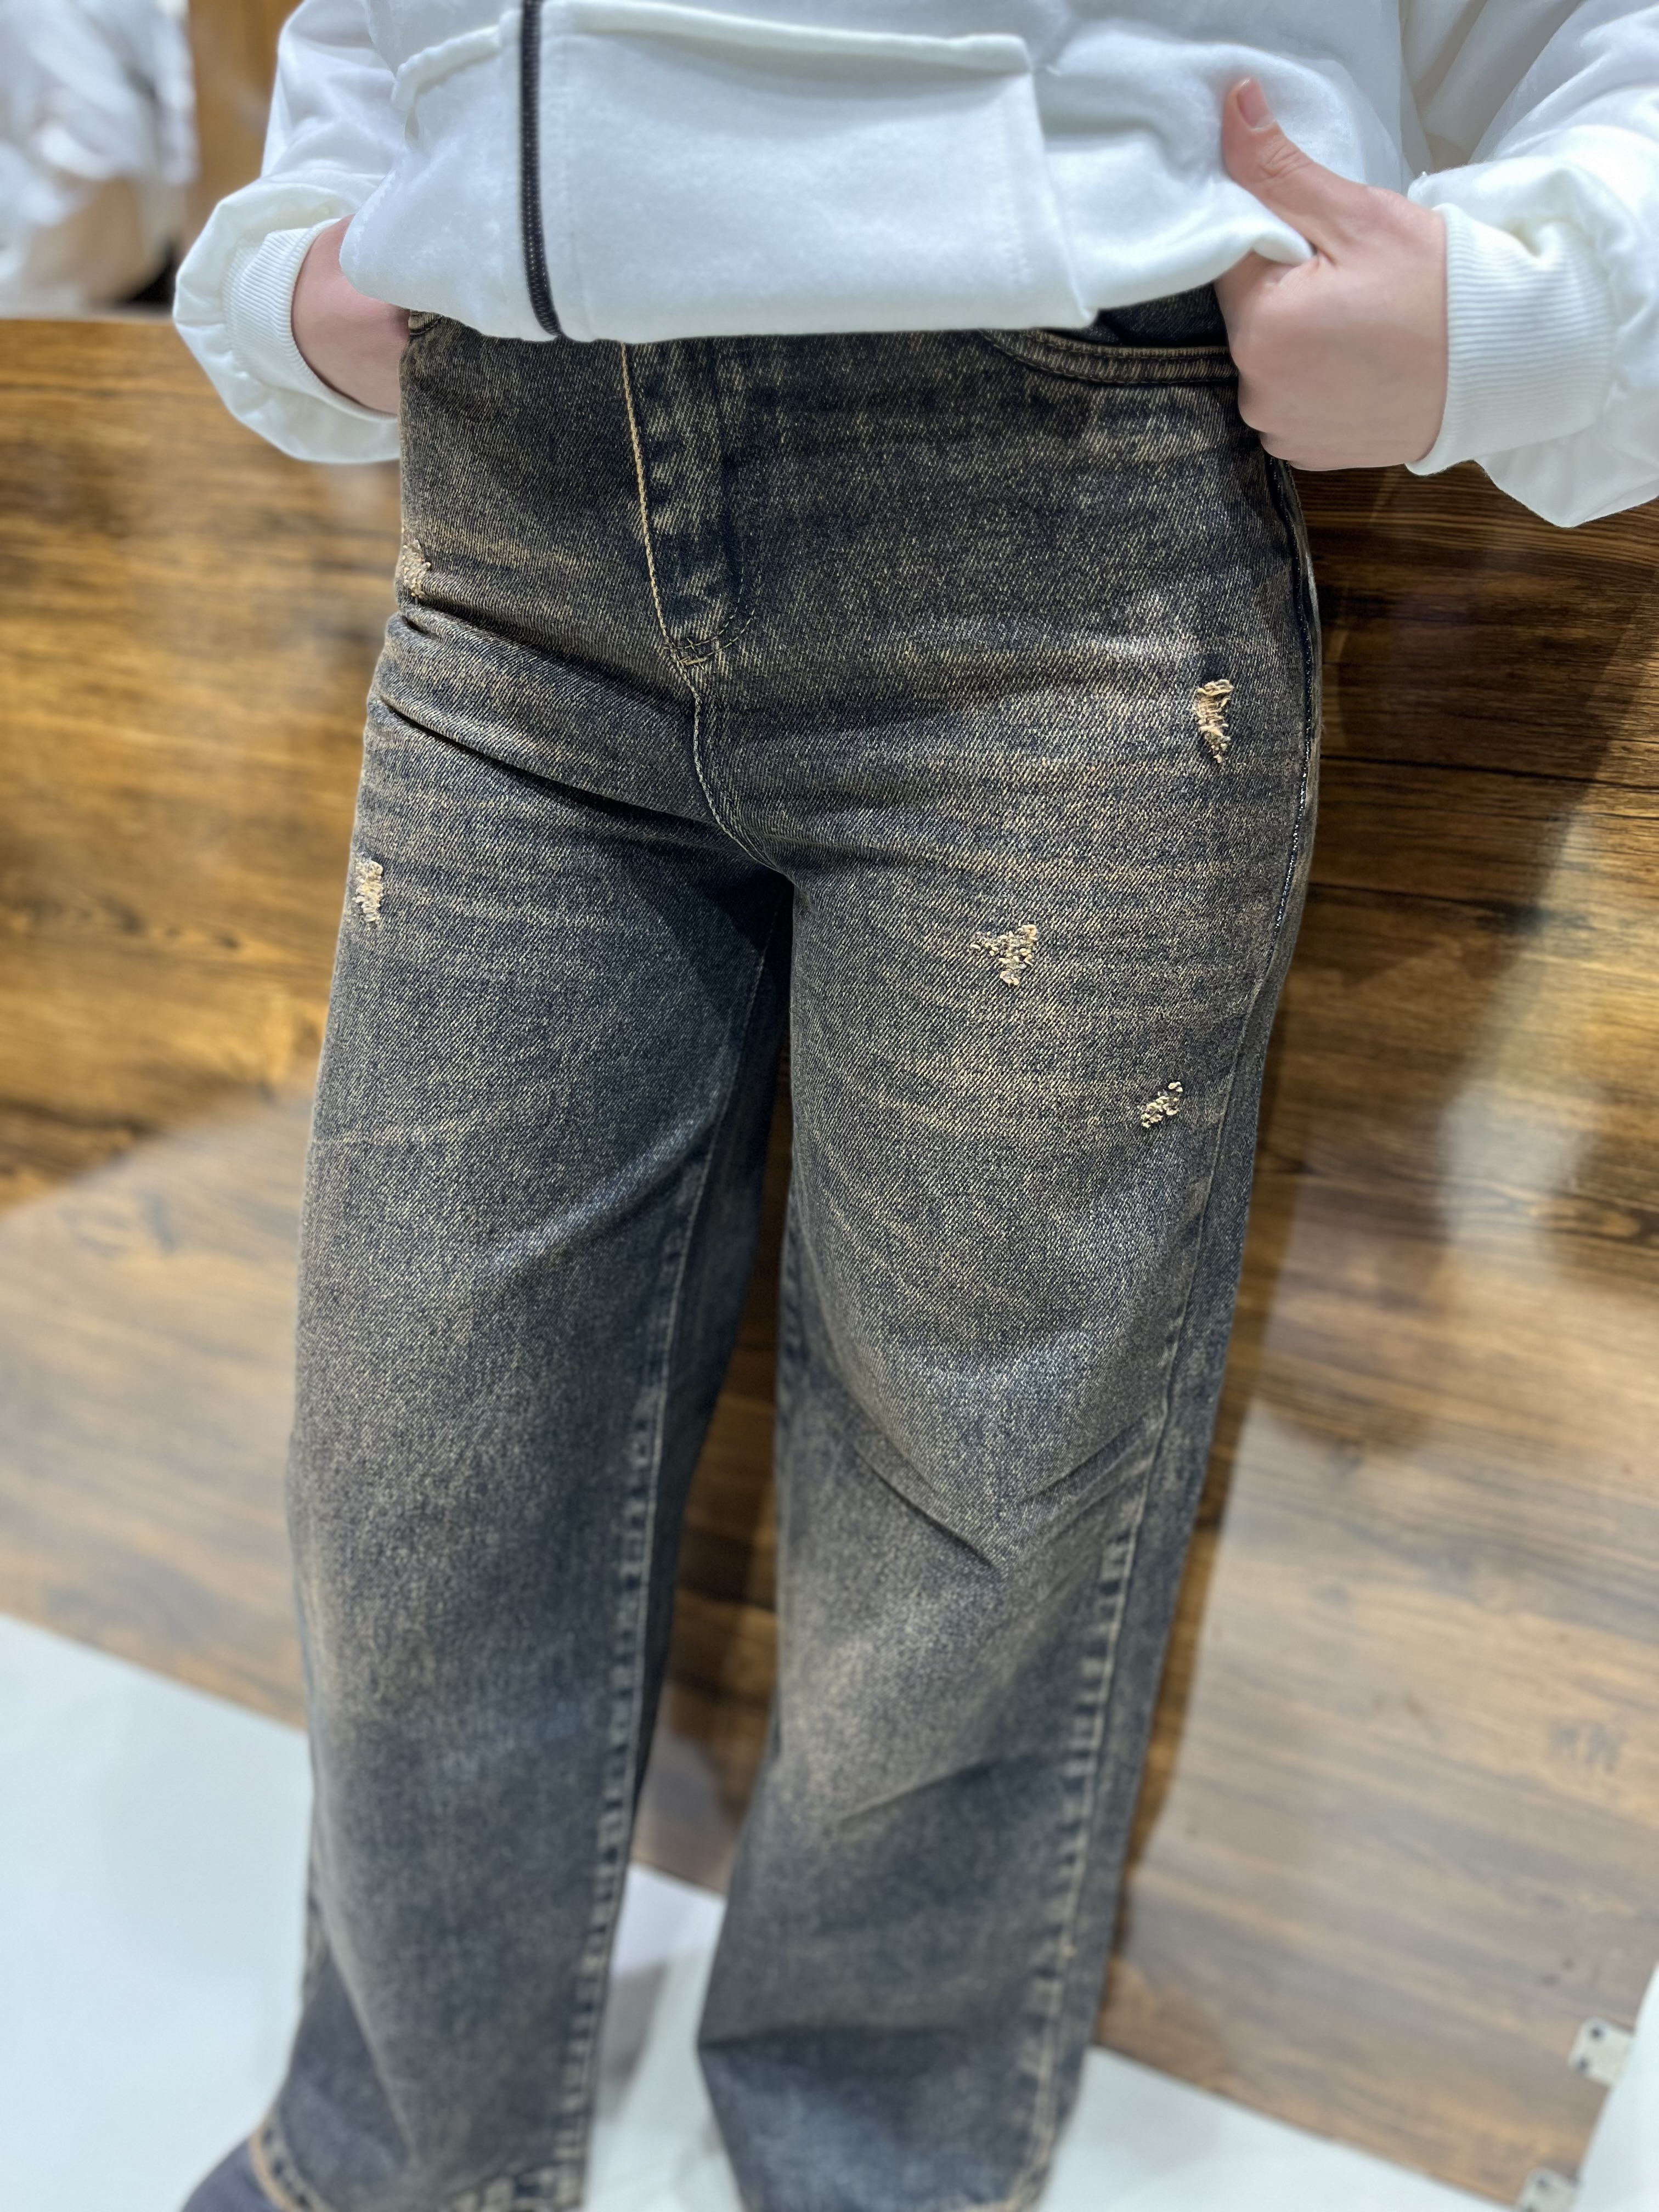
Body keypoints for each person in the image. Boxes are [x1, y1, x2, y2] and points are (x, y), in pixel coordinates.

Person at [173, 7, 1659, 2210]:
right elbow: (367, 57)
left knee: (977, 1503)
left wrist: (1529, 308)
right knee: (418, 1461)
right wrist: (296, 258)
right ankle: (387, 2159)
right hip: (510, 542)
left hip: (1064, 539)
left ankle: (869, 2173)